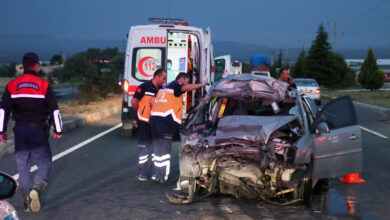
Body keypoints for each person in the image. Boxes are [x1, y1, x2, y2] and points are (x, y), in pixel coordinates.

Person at [0, 52, 63, 212]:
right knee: (44, 162)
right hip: (38, 130)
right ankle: (38, 185)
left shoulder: (12, 85)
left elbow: (3, 110)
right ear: (36, 65)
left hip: (20, 129)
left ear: (23, 66)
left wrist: (1, 130)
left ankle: (27, 198)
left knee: (22, 165)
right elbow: (54, 110)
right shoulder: (44, 85)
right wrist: (58, 129)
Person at [150, 73, 208, 183]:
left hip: (154, 120)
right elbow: (185, 87)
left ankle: (156, 173)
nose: (186, 85)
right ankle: (163, 177)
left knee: (157, 149)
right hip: (165, 122)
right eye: (187, 81)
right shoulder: (175, 86)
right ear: (181, 79)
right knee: (165, 151)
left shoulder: (164, 88)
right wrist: (200, 85)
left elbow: (151, 101)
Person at [131, 68, 167, 181]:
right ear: (157, 76)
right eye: (163, 78)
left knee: (157, 150)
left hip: (156, 123)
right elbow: (134, 102)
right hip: (144, 123)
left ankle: (155, 173)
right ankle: (142, 173)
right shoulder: (144, 86)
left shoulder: (162, 89)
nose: (164, 81)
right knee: (144, 149)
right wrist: (140, 113)